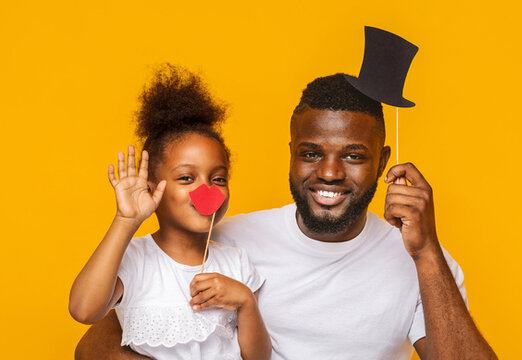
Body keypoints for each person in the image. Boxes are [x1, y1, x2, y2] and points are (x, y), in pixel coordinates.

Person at [76, 73, 495, 359]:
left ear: (383, 161)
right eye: (311, 153)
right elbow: (96, 346)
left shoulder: (423, 263)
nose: (329, 172)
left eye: (353, 156)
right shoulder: (225, 241)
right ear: (291, 154)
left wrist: (425, 253)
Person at [69, 64, 271, 360]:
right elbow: (83, 310)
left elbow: (259, 357)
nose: (207, 191)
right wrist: (126, 221)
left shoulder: (235, 261)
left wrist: (246, 303)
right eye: (187, 178)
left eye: (218, 179)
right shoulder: (135, 259)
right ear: (153, 188)